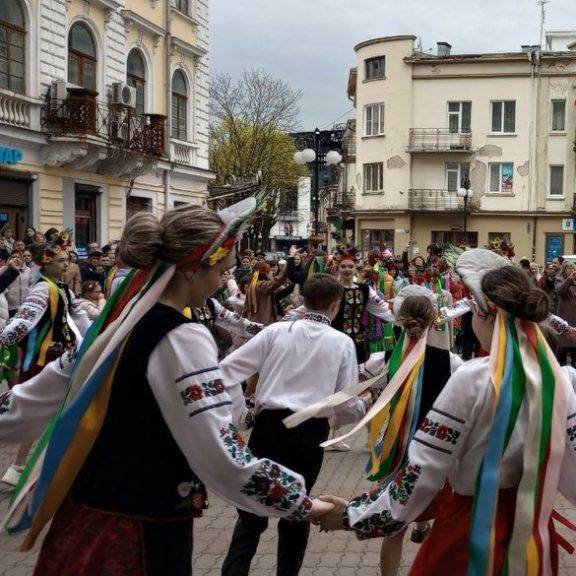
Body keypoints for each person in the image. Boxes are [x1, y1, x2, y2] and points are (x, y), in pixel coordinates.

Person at [0, 202, 337, 574]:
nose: (221, 283)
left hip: (83, 522)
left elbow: (22, 406)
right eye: (222, 271)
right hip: (140, 533)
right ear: (193, 269)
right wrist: (303, 503)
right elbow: (222, 454)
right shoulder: (183, 337)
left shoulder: (116, 324)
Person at [319, 249, 576, 573]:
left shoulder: (471, 379)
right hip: (531, 534)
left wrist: (352, 514)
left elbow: (421, 473)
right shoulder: (554, 377)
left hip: (467, 533)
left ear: (488, 314)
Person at [219, 273, 365, 576]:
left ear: (303, 300)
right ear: (336, 304)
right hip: (309, 434)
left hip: (269, 427)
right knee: (297, 509)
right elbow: (347, 404)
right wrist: (358, 410)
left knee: (250, 513)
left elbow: (226, 372)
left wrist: (241, 415)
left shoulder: (276, 332)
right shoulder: (342, 343)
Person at [353, 286, 465, 576]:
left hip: (396, 447)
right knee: (439, 507)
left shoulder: (384, 358)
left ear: (399, 320)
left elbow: (360, 379)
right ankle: (425, 528)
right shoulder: (449, 360)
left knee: (395, 525)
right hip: (436, 449)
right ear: (433, 321)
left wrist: (367, 397)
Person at [0, 235, 89, 486]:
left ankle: (25, 466)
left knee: (53, 411)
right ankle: (21, 466)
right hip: (45, 359)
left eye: (67, 260)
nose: (66, 264)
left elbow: (78, 317)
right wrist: (5, 336)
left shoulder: (62, 288)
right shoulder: (43, 288)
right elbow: (24, 320)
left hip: (62, 357)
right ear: (46, 263)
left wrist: (95, 332)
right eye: (60, 260)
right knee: (38, 411)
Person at [554, 261, 576, 368]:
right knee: (564, 340)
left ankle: (574, 364)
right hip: (565, 315)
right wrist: (569, 279)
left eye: (573, 268)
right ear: (564, 270)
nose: (572, 270)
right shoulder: (560, 279)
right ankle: (562, 365)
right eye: (569, 268)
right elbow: (560, 290)